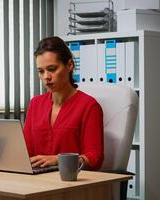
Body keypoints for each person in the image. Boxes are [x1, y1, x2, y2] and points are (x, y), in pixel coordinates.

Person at [23, 36, 104, 170]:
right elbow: (25, 152)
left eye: (52, 69)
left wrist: (59, 160)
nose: (46, 77)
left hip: (70, 181)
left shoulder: (89, 106)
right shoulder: (35, 104)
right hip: (37, 180)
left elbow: (95, 157)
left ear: (69, 65)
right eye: (41, 71)